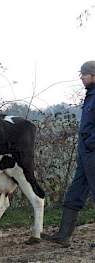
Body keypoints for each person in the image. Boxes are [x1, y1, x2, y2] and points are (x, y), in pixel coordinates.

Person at [43, 60, 95, 247]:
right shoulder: (90, 95)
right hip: (86, 155)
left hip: (93, 152)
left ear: (93, 76)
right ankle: (63, 236)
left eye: (84, 74)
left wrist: (90, 143)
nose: (81, 77)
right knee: (75, 193)